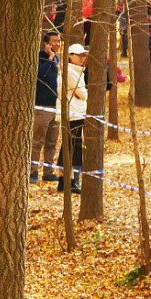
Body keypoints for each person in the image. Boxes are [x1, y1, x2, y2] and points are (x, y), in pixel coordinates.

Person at [31, 30, 62, 183]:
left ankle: (48, 171)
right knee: (37, 141)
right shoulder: (39, 57)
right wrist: (49, 58)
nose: (57, 44)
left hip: (54, 105)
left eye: (59, 41)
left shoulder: (57, 58)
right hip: (41, 106)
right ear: (46, 43)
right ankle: (32, 172)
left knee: (52, 141)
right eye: (54, 41)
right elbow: (40, 74)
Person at [60, 41, 88, 193]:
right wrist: (88, 94)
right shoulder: (70, 72)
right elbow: (82, 94)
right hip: (72, 114)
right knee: (71, 148)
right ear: (70, 56)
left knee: (71, 147)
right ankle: (69, 181)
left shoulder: (77, 71)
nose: (82, 59)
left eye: (84, 56)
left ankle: (65, 181)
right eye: (79, 56)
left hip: (77, 113)